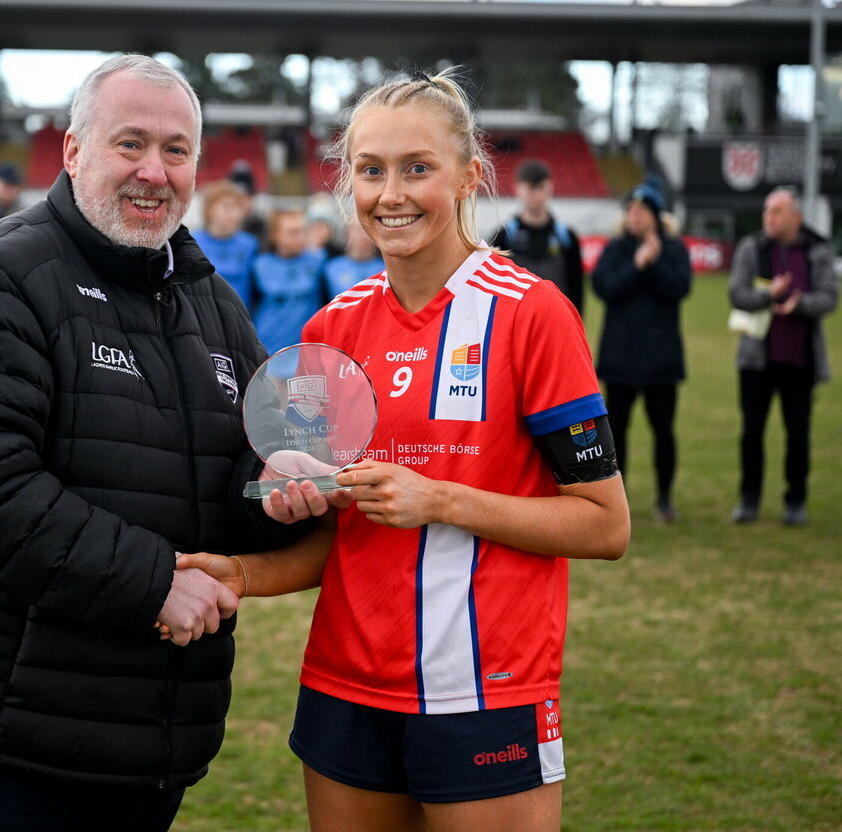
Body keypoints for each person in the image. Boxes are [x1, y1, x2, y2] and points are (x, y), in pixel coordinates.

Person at [175, 68, 630, 832]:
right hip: (344, 689)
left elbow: (604, 524)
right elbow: (332, 536)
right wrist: (245, 569)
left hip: (485, 692)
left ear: (468, 176)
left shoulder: (533, 314)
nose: (392, 193)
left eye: (418, 168)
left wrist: (440, 498)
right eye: (371, 169)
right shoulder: (330, 329)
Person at [0, 54, 305, 832]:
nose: (155, 172)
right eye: (129, 143)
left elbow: (227, 471)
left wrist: (274, 485)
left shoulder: (212, 300)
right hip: (8, 732)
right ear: (72, 151)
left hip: (151, 732)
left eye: (176, 150)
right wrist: (152, 582)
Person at [728, 187, 838, 526]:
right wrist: (768, 295)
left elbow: (830, 297)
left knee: (798, 434)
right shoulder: (752, 247)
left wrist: (799, 304)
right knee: (751, 433)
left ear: (796, 217)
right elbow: (736, 294)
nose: (769, 218)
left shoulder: (817, 248)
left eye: (776, 211)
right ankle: (749, 500)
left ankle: (796, 501)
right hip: (756, 359)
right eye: (766, 211)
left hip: (800, 360)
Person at [591, 182, 692, 522]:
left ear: (656, 216)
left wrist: (655, 261)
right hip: (620, 360)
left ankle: (665, 498)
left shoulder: (674, 249)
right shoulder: (616, 249)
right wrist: (637, 263)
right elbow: (605, 288)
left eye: (642, 211)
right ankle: (618, 500)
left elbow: (679, 289)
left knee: (664, 431)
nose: (634, 216)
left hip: (661, 361)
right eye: (631, 210)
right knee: (616, 432)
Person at [490, 160, 586, 317]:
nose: (536, 195)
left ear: (550, 188)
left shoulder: (567, 237)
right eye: (530, 189)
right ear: (518, 190)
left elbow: (577, 289)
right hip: (517, 321)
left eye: (540, 187)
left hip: (556, 320)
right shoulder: (504, 237)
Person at [250, 210, 329, 356]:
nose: (299, 238)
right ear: (275, 235)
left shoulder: (318, 259)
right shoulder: (261, 264)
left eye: (302, 232)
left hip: (306, 352)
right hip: (269, 349)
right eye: (293, 233)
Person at [191, 180, 258, 305]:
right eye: (225, 206)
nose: (231, 212)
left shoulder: (250, 244)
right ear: (209, 210)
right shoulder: (193, 242)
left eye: (236, 207)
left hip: (239, 316)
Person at [322, 221, 385, 297]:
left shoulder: (385, 269)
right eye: (357, 229)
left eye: (366, 229)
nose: (362, 234)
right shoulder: (331, 268)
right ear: (347, 232)